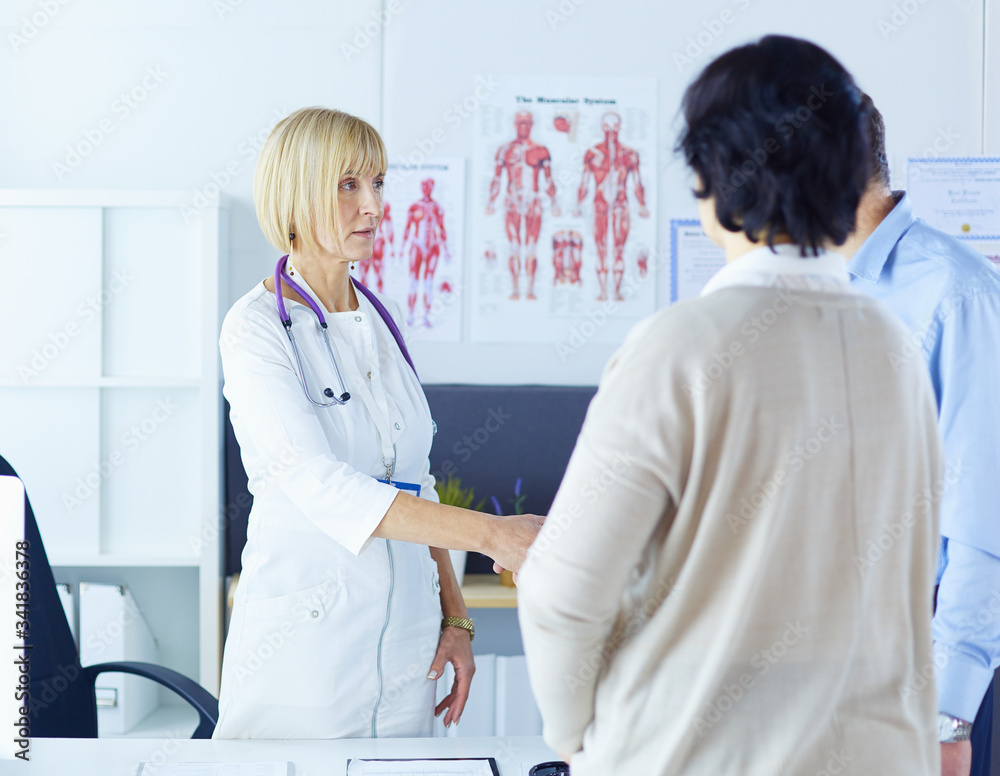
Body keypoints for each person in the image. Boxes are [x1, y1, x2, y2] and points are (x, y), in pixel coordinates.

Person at [518, 36, 943, 775]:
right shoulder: (898, 351)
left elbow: (564, 591)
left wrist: (574, 736)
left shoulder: (679, 348)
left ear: (707, 173)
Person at [213, 107, 541, 739]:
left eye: (378, 183)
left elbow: (414, 478)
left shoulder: (380, 319)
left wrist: (454, 613)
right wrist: (495, 535)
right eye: (347, 184)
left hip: (408, 647)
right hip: (308, 652)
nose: (373, 205)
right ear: (294, 191)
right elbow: (323, 486)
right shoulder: (254, 328)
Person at [839, 96, 1000, 776]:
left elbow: (984, 522)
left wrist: (948, 714)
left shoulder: (955, 294)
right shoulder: (822, 286)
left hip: (929, 663)